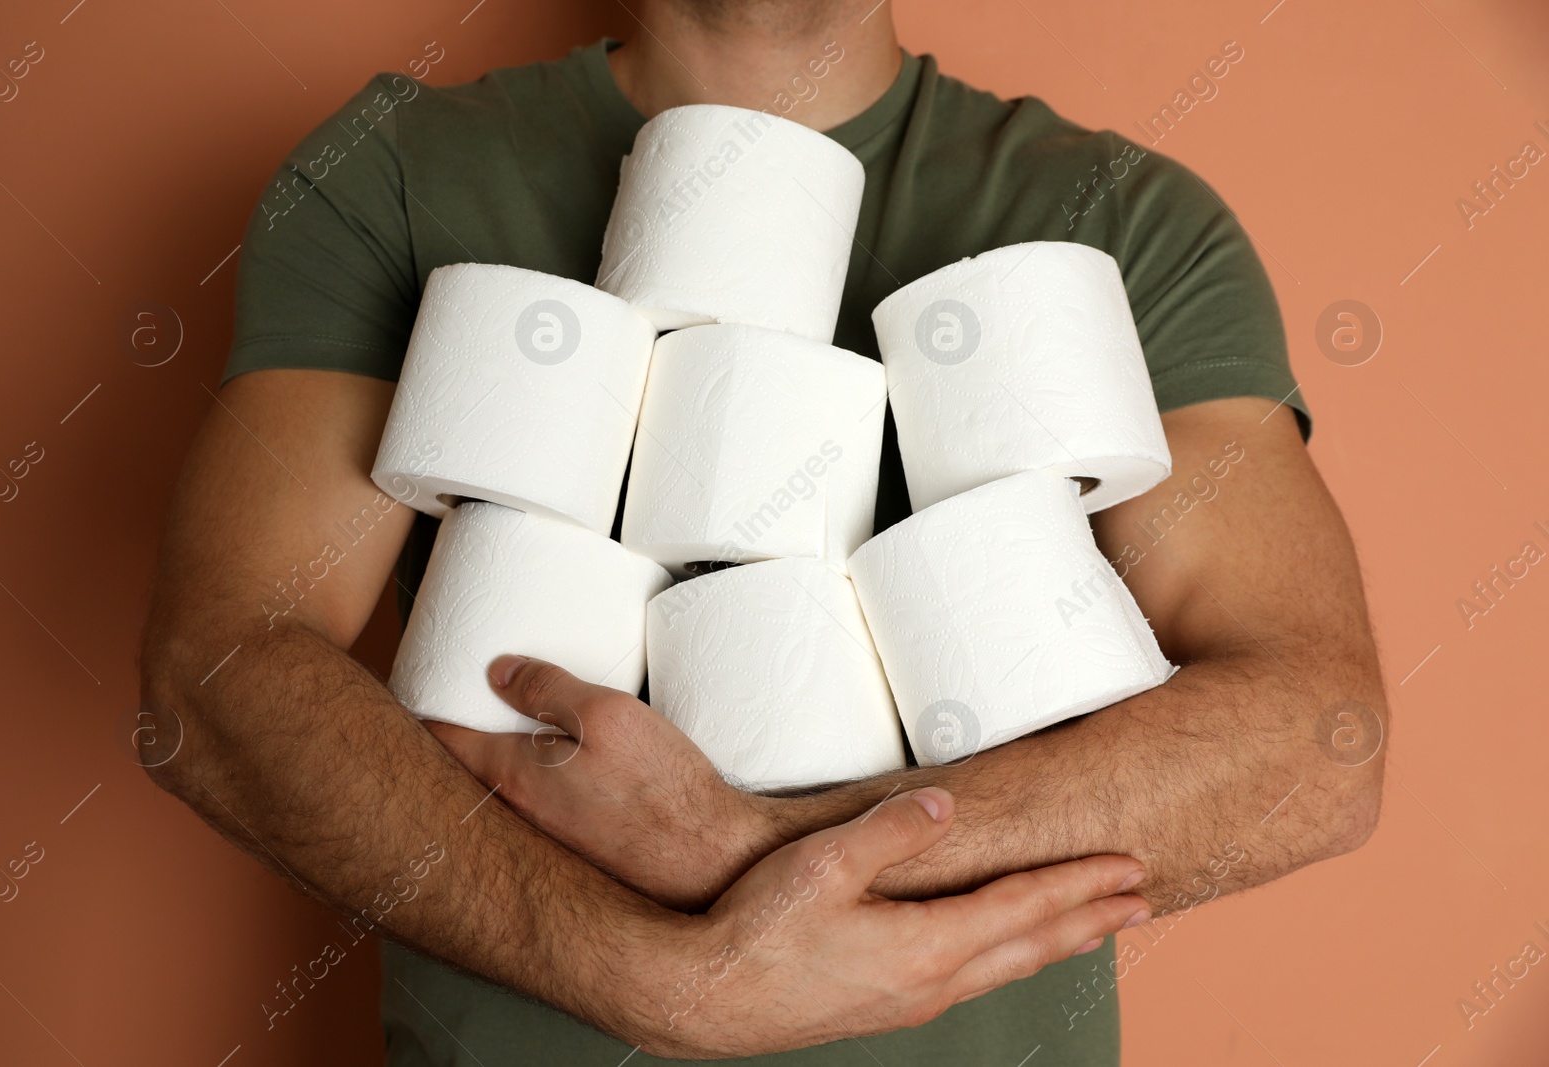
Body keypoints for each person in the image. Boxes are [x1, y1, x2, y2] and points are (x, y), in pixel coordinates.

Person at [138, 1, 1387, 1063]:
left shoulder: (1115, 218)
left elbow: (1315, 742)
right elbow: (218, 669)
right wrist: (660, 975)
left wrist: (753, 845)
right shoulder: (399, 169)